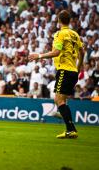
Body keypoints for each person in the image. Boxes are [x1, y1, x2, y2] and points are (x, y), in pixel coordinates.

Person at [28, 10, 84, 139]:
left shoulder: (60, 34)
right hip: (73, 71)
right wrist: (78, 68)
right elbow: (82, 52)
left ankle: (70, 129)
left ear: (59, 21)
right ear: (69, 21)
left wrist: (39, 56)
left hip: (64, 70)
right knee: (62, 100)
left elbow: (56, 52)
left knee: (58, 100)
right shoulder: (75, 34)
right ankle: (69, 127)